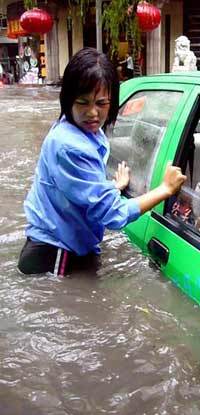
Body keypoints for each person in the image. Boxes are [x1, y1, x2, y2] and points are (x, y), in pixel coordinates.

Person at [18, 47, 186, 275]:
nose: (93, 113)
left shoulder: (83, 131)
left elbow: (76, 189)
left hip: (60, 245)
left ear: (112, 101)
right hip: (55, 255)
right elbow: (112, 215)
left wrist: (110, 187)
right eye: (83, 102)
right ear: (68, 100)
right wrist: (165, 189)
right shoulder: (70, 145)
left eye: (101, 103)